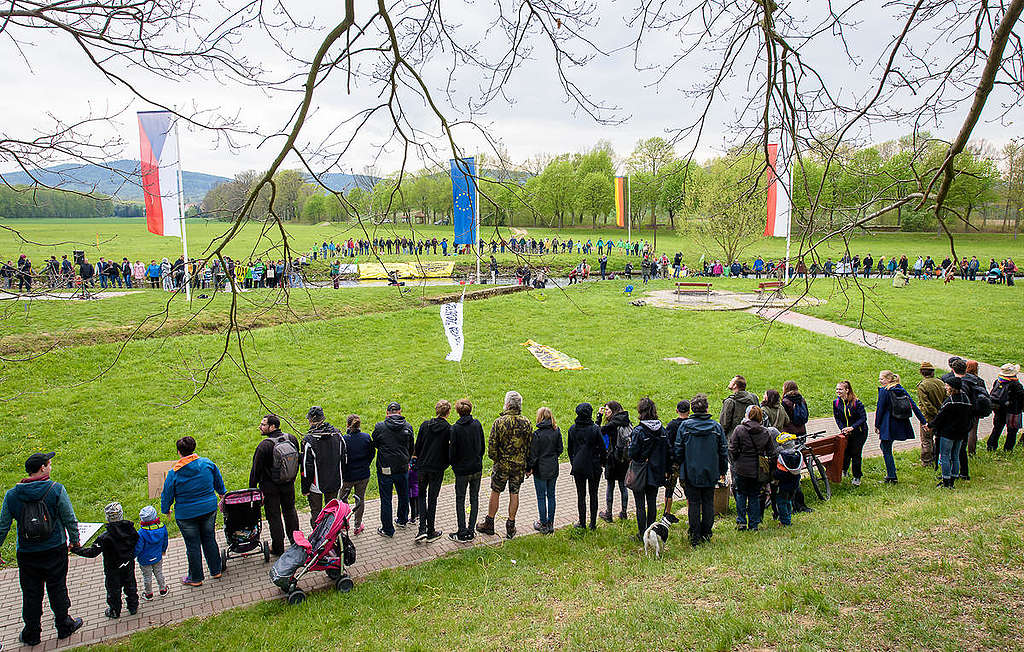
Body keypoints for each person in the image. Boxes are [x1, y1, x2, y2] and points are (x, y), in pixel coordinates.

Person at [0, 452, 84, 646]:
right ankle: (64, 626)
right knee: (57, 588)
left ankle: (32, 633)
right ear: (43, 469)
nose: (51, 466)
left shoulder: (12, 495)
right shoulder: (56, 490)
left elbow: (3, 525)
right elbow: (69, 518)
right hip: (54, 549)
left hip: (27, 553)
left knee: (30, 593)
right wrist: (75, 540)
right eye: (49, 464)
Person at [161, 436, 225, 586]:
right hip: (209, 509)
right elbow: (218, 481)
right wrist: (222, 492)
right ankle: (216, 570)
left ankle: (195, 578)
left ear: (179, 452)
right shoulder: (207, 464)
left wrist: (166, 509)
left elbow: (167, 494)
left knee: (192, 545)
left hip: (186, 515)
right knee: (209, 539)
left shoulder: (174, 473)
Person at [478, 390, 532, 539]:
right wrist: (527, 464)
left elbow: (492, 448)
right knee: (514, 493)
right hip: (519, 466)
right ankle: (511, 525)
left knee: (495, 491)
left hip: (501, 465)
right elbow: (529, 446)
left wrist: (497, 460)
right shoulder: (526, 422)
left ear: (507, 404)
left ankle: (489, 523)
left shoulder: (499, 423)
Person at [674, 394, 728, 546]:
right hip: (710, 471)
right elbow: (723, 451)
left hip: (691, 471)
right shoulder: (716, 427)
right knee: (708, 502)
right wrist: (723, 469)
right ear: (707, 408)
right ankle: (706, 532)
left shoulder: (685, 426)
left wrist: (680, 464)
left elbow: (678, 449)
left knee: (694, 504)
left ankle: (695, 535)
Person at [73, 502, 139, 619]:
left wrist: (76, 550)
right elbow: (136, 542)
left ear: (107, 517)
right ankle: (133, 606)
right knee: (130, 585)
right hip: (128, 564)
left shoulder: (105, 537)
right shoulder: (130, 529)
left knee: (113, 590)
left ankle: (115, 610)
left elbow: (93, 552)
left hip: (113, 568)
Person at [249, 414, 300, 556]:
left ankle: (278, 548)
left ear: (272, 427)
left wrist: (252, 491)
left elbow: (255, 471)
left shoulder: (264, 446)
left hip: (270, 488)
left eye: (263, 424)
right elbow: (298, 460)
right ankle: (296, 543)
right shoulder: (292, 439)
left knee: (274, 517)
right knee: (290, 512)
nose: (260, 427)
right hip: (288, 483)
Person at [874, 370, 926, 484]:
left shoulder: (884, 391)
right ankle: (891, 474)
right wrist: (923, 421)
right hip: (899, 423)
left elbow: (880, 409)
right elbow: (913, 405)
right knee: (885, 447)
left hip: (887, 423)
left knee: (885, 448)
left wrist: (877, 425)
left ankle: (891, 476)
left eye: (881, 379)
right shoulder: (900, 389)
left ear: (888, 379)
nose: (880, 381)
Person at [728, 406, 775, 531]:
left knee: (741, 494)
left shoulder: (739, 429)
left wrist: (736, 459)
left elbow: (732, 448)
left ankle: (741, 521)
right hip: (758, 468)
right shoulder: (765, 432)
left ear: (747, 415)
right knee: (754, 495)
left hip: (741, 467)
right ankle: (754, 524)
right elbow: (771, 452)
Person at [371, 402, 414, 538]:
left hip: (385, 467)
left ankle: (388, 529)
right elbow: (411, 447)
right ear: (400, 412)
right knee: (403, 494)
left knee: (386, 499)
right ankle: (402, 520)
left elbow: (375, 443)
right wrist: (407, 460)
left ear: (387, 412)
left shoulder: (380, 427)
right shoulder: (407, 427)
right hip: (402, 466)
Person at [628, 397, 668, 542]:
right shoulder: (662, 430)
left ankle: (641, 533)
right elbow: (667, 451)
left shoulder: (638, 431)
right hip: (656, 471)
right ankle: (651, 533)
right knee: (652, 503)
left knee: (640, 505)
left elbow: (632, 453)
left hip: (640, 471)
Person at [300, 406, 347, 527]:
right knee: (331, 510)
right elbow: (344, 458)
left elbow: (306, 467)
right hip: (335, 480)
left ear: (310, 420)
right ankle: (332, 536)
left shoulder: (309, 440)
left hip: (317, 485)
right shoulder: (337, 434)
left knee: (316, 512)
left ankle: (318, 538)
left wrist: (305, 488)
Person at [413, 400, 452, 543]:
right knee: (432, 498)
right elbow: (450, 450)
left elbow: (417, 445)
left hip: (423, 467)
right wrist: (446, 464)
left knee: (422, 496)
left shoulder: (425, 425)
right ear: (448, 413)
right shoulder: (449, 429)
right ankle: (430, 530)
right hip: (437, 469)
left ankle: (422, 529)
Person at [448, 398, 485, 542]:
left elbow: (452, 452)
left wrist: (455, 465)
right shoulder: (477, 424)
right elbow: (482, 446)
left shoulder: (455, 429)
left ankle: (462, 531)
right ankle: (470, 530)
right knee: (474, 498)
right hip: (476, 468)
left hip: (462, 470)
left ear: (457, 411)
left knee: (460, 499)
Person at [928, 376, 973, 488]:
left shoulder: (950, 402)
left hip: (948, 432)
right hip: (961, 432)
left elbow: (940, 417)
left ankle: (946, 481)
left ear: (951, 388)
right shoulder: (966, 399)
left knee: (945, 455)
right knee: (955, 455)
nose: (945, 387)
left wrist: (930, 425)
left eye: (947, 385)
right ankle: (953, 477)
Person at [567, 402, 605, 532]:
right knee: (593, 494)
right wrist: (602, 462)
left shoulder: (572, 429)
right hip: (594, 465)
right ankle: (593, 523)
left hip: (579, 466)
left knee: (581, 495)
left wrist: (574, 462)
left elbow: (570, 449)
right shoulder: (595, 429)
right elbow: (602, 447)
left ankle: (582, 522)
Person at [528, 407, 563, 534]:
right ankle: (550, 522)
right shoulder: (556, 430)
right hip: (553, 467)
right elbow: (560, 449)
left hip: (540, 470)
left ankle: (543, 523)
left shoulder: (537, 434)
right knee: (551, 495)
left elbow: (533, 455)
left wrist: (529, 468)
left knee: (541, 497)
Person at [597, 401, 631, 521]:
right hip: (624, 459)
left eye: (607, 410)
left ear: (613, 410)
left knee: (610, 486)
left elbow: (598, 431)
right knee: (623, 487)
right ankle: (624, 512)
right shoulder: (626, 420)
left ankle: (609, 513)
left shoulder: (612, 424)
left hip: (612, 458)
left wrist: (599, 416)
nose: (606, 412)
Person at [341, 414, 373, 535]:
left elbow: (341, 458)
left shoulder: (344, 439)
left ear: (347, 425)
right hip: (363, 475)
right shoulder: (366, 437)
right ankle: (357, 525)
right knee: (360, 499)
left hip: (348, 476)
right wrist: (366, 464)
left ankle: (345, 523)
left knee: (343, 499)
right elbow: (371, 454)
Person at [833, 381, 868, 486]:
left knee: (856, 454)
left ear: (847, 390)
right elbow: (837, 418)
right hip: (846, 432)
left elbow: (863, 418)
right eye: (837, 389)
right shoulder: (836, 403)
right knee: (846, 452)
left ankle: (857, 476)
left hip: (859, 432)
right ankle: (844, 469)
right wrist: (843, 429)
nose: (838, 391)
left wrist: (852, 427)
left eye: (840, 389)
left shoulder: (856, 403)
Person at [661, 400, 691, 523]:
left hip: (673, 462)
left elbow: (666, 444)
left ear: (676, 410)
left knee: (669, 489)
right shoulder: (691, 424)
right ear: (689, 411)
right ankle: (691, 513)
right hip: (688, 462)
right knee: (689, 489)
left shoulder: (672, 425)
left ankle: (666, 514)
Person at [135, 505, 169, 601]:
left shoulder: (141, 532)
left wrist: (133, 555)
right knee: (159, 573)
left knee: (147, 576)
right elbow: (165, 540)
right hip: (157, 556)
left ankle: (148, 593)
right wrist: (163, 550)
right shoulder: (162, 528)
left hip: (144, 559)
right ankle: (163, 589)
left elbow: (138, 547)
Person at [915, 362, 946, 467]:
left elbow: (926, 404)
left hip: (928, 418)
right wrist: (941, 414)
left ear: (922, 373)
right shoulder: (941, 382)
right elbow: (946, 399)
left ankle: (927, 461)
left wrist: (935, 414)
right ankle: (939, 458)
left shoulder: (922, 385)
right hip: (942, 416)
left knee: (927, 440)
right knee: (939, 438)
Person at [988, 363, 1024, 452]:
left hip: (999, 409)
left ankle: (991, 447)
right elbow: (1021, 398)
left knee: (997, 429)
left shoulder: (998, 381)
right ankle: (1008, 449)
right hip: (1013, 411)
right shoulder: (1016, 385)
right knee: (1012, 431)